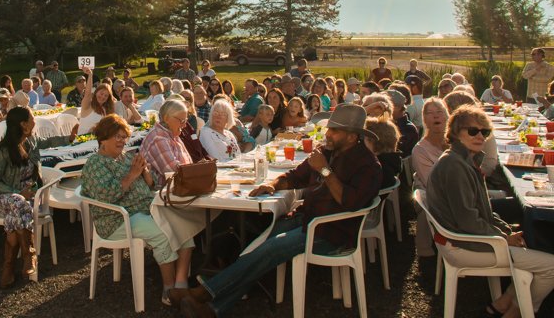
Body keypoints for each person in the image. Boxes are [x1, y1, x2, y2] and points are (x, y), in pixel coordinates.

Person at [171, 105, 382, 316]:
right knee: (257, 245)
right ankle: (212, 307)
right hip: (307, 218)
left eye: (335, 131)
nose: (328, 134)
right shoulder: (330, 151)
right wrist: (273, 185)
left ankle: (203, 294)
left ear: (353, 137)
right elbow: (296, 176)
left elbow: (349, 202)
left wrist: (325, 170)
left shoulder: (368, 165)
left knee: (269, 249)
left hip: (332, 230)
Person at [427, 105, 554, 318]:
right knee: (550, 266)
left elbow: (482, 210)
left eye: (484, 132)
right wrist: (504, 238)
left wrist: (506, 231)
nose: (480, 136)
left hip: (464, 238)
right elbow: (468, 220)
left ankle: (504, 303)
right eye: (472, 131)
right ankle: (518, 310)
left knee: (533, 246)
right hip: (462, 244)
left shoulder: (464, 160)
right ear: (456, 132)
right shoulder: (455, 167)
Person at [82, 114, 194, 306]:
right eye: (117, 136)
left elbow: (150, 186)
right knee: (162, 235)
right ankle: (168, 289)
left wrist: (145, 173)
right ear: (103, 139)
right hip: (117, 218)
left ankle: (180, 284)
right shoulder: (95, 163)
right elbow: (107, 196)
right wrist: (133, 175)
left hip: (146, 208)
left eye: (124, 137)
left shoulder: (126, 158)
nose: (122, 141)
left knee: (184, 225)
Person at [0, 106, 77, 287]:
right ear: (23, 125)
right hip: (3, 198)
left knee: (17, 213)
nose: (35, 121)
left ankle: (8, 267)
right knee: (19, 202)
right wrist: (17, 192)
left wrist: (69, 138)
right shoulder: (2, 150)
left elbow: (48, 141)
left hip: (30, 199)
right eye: (32, 118)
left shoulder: (32, 141)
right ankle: (29, 253)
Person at [411, 97, 449, 258]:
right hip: (431, 193)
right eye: (430, 113)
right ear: (424, 119)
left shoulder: (457, 142)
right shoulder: (420, 150)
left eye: (439, 112)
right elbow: (430, 184)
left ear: (447, 116)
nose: (435, 116)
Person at [140, 99, 194, 188]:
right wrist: (197, 170)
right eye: (182, 121)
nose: (184, 125)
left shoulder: (173, 135)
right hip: (163, 195)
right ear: (166, 118)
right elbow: (173, 171)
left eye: (186, 120)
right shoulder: (158, 137)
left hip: (179, 188)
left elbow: (188, 164)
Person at [362, 118, 401, 186]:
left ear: (375, 142)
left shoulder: (378, 170)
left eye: (365, 138)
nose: (362, 142)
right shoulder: (391, 161)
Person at [79, 66, 114, 134]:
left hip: (99, 140)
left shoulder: (105, 109)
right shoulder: (88, 105)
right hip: (82, 142)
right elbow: (88, 93)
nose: (102, 97)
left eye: (106, 96)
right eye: (101, 93)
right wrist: (90, 75)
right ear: (96, 92)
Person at [386, 87, 418, 157]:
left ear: (397, 107)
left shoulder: (408, 129)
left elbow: (395, 152)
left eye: (387, 105)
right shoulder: (388, 122)